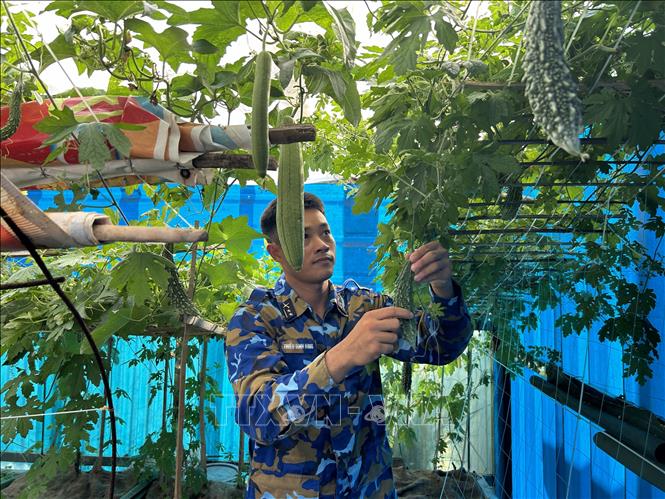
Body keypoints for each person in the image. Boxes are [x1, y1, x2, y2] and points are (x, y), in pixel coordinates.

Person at [225, 192, 472, 498]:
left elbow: (442, 346)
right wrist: (341, 357)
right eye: (303, 237)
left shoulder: (364, 306)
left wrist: (443, 288)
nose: (321, 244)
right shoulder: (254, 318)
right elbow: (258, 417)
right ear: (275, 252)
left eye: (325, 232)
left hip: (368, 489)